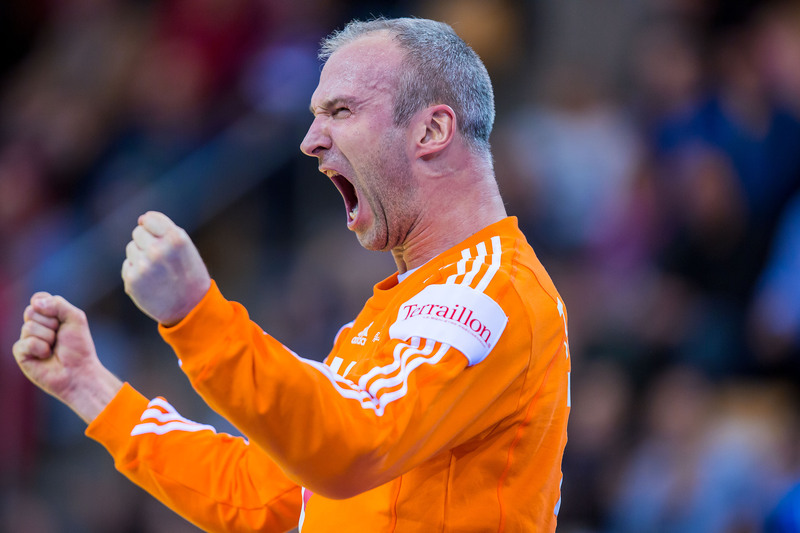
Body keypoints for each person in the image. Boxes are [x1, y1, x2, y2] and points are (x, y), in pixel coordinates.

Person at [13, 17, 571, 532]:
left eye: (341, 111)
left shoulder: (488, 289)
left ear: (431, 130)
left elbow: (351, 447)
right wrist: (91, 387)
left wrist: (197, 316)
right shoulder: (408, 307)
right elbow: (258, 494)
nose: (310, 141)